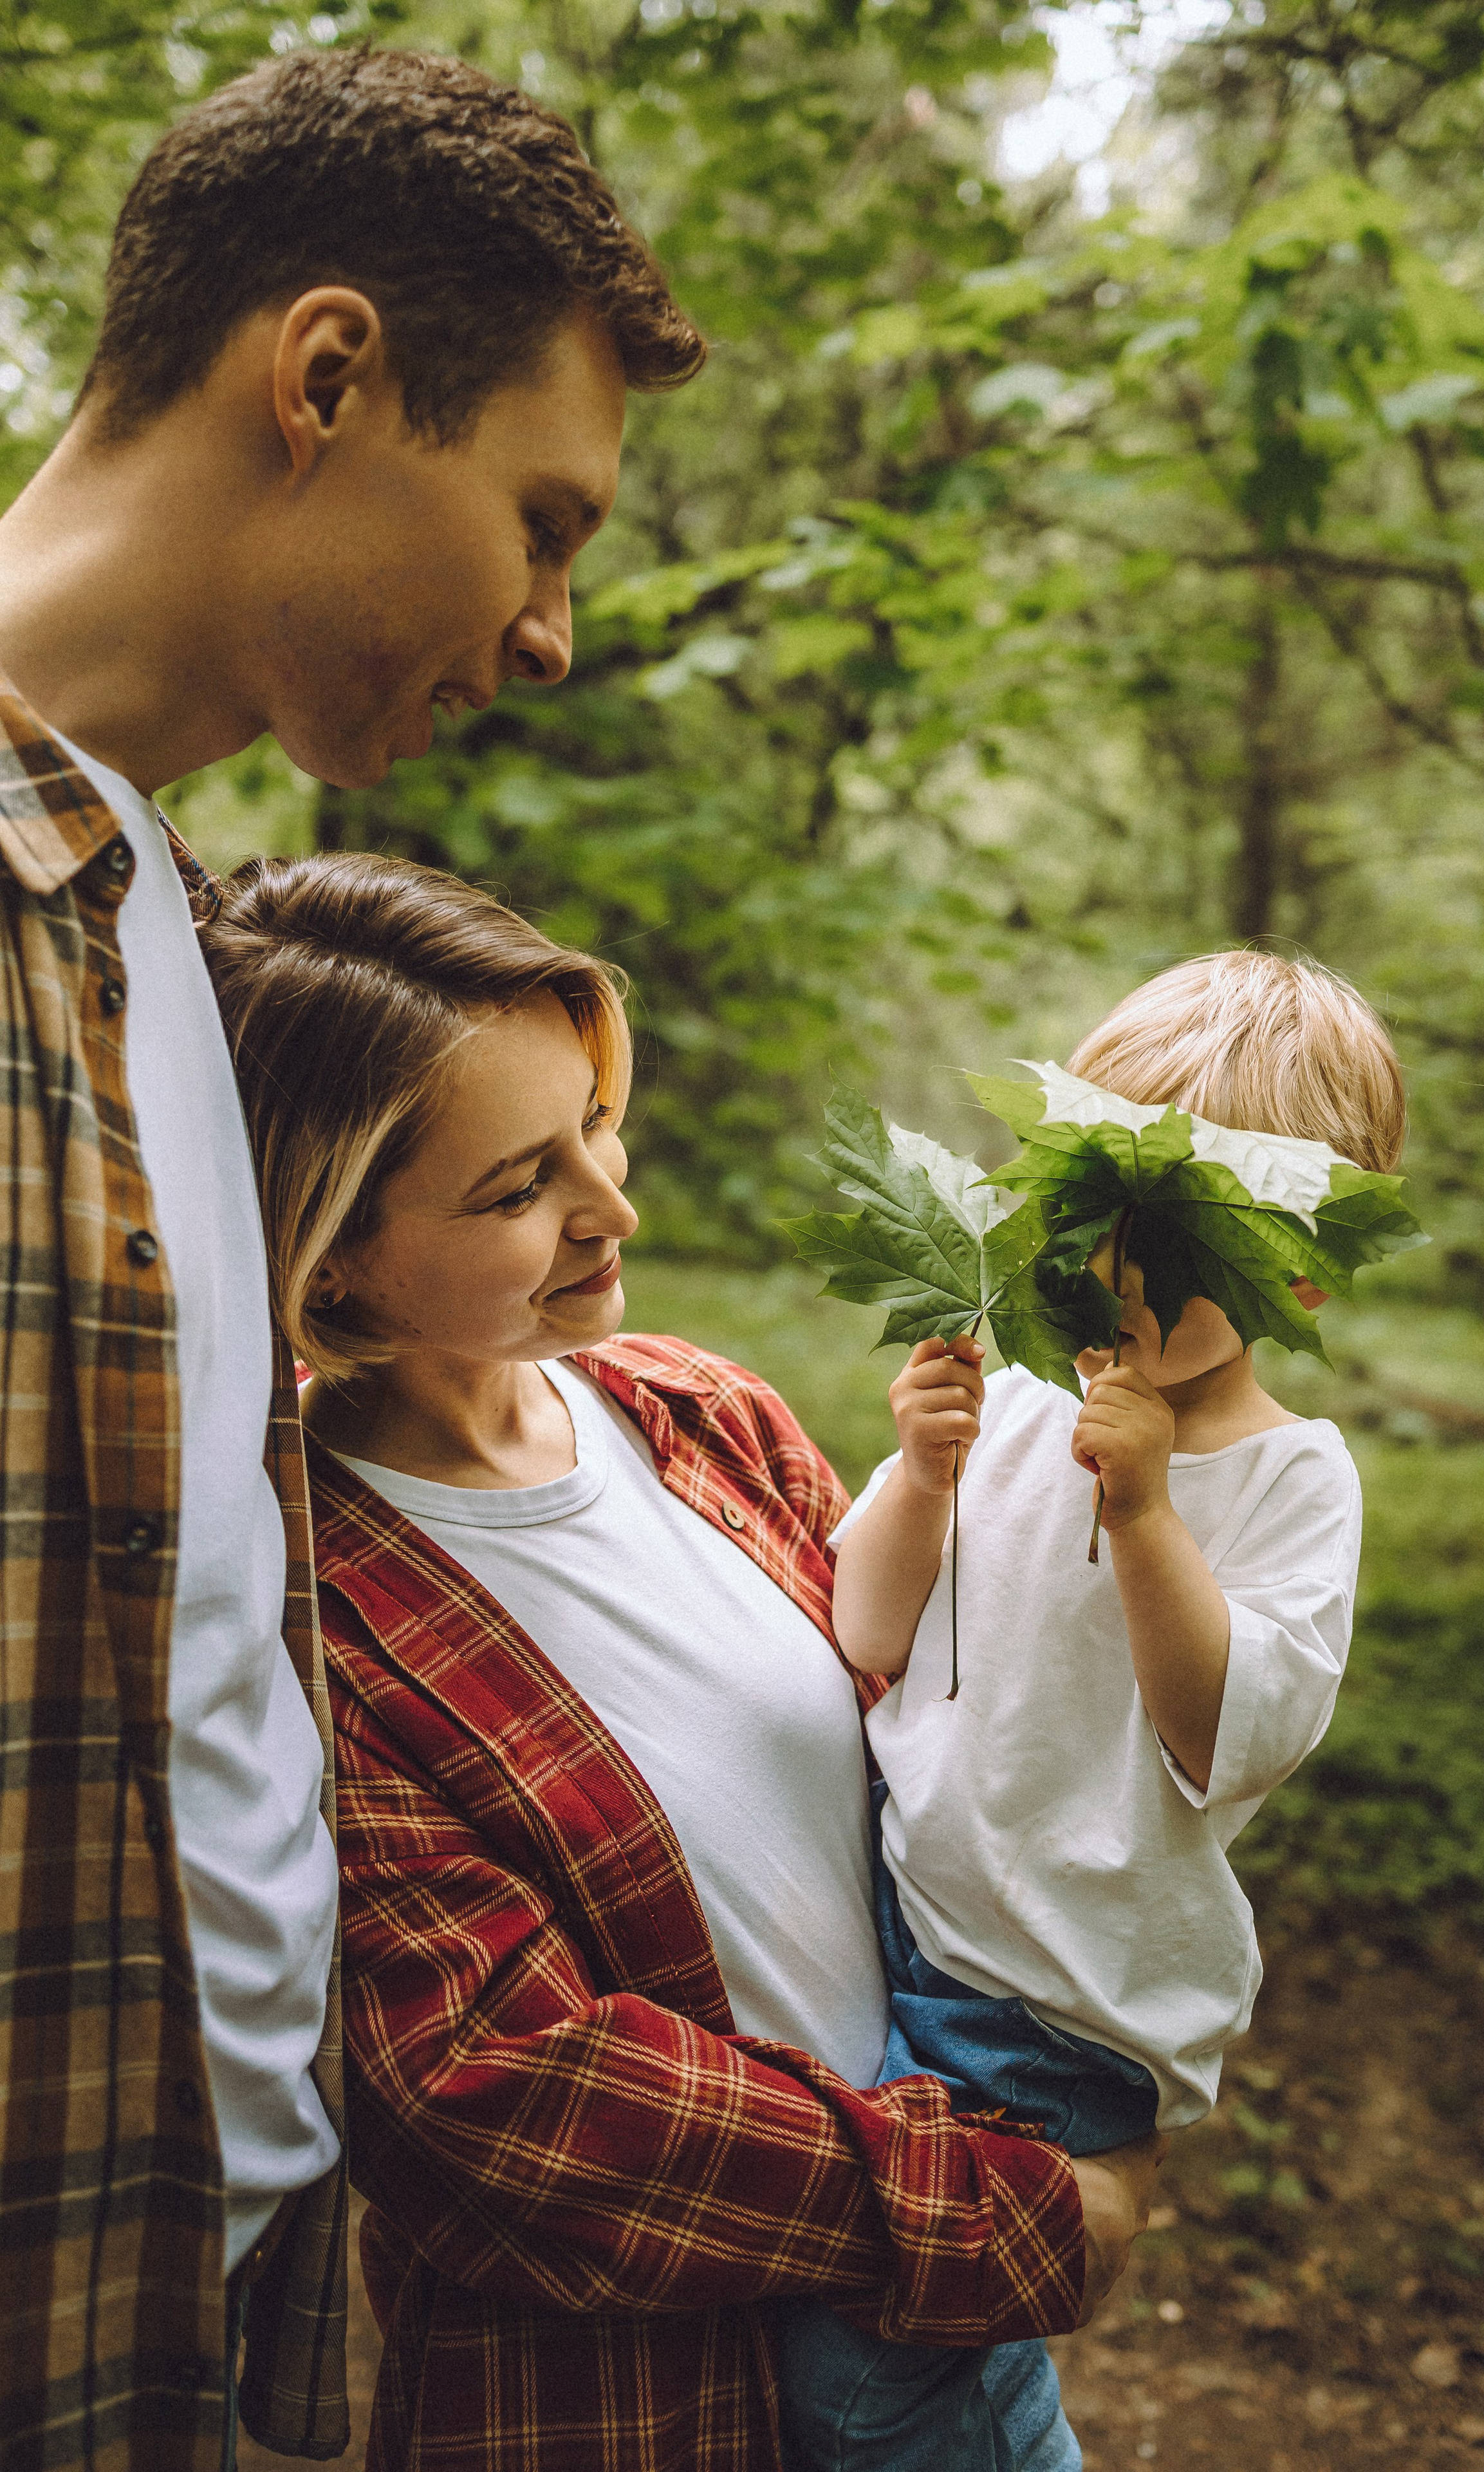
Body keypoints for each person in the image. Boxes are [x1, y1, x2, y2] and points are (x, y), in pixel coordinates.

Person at [0, 43, 703, 2465]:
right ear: (325, 378)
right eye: (543, 520)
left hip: (212, 2295)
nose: (551, 630)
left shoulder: (167, 942)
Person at [196, 848, 1165, 2472]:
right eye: (518, 1189)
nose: (613, 1206)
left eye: (596, 1122)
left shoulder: (695, 1410)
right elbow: (491, 2096)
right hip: (634, 2396)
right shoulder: (299, 1608)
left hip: (933, 2339)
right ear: (328, 1250)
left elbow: (914, 1757)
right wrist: (995, 2209)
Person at [779, 948, 1406, 2469]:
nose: (1117, 1277)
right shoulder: (1009, 1406)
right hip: (908, 1927)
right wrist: (920, 1475)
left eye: (1182, 1244)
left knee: (858, 2380)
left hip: (1050, 2003)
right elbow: (864, 1625)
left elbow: (1224, 1737)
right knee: (925, 2344)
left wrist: (1143, 1515)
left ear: (1300, 1272)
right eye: (1088, 1217)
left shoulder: (1288, 1478)